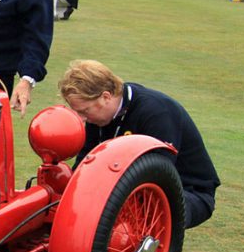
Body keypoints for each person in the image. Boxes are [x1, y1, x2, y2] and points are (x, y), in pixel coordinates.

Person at [58, 59, 220, 228]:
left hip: (187, 191)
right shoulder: (97, 117)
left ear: (106, 96)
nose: (82, 119)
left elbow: (159, 174)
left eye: (85, 111)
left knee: (119, 216)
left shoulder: (157, 112)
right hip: (134, 185)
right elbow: (86, 160)